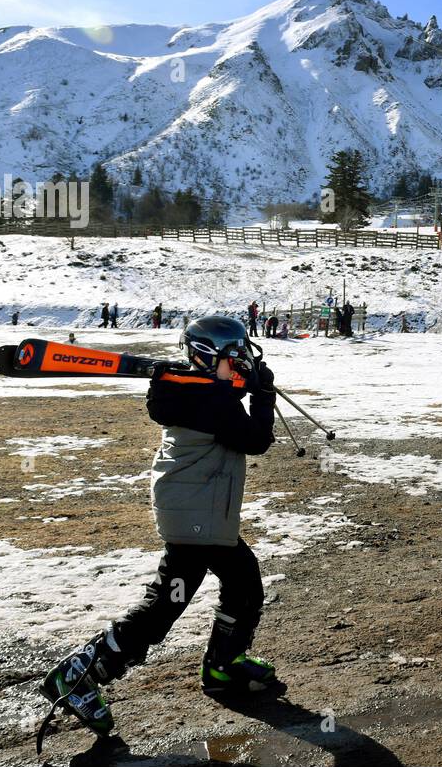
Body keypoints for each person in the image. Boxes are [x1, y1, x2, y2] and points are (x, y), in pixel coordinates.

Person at [40, 316, 279, 737]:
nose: (241, 364)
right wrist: (262, 395)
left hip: (198, 513)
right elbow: (255, 438)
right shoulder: (209, 401)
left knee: (240, 584)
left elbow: (222, 395)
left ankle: (224, 666)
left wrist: (247, 385)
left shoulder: (196, 390)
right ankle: (77, 676)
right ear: (207, 358)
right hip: (197, 518)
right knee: (168, 604)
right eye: (234, 358)